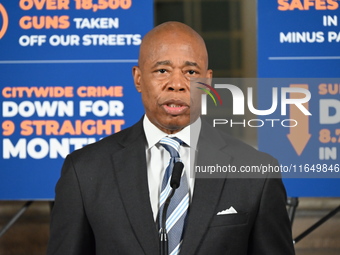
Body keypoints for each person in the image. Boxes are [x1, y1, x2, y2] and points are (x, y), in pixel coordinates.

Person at [47, 21, 295, 255]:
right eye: (162, 70)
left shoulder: (257, 172)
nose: (176, 84)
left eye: (190, 71)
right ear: (138, 78)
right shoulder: (84, 170)